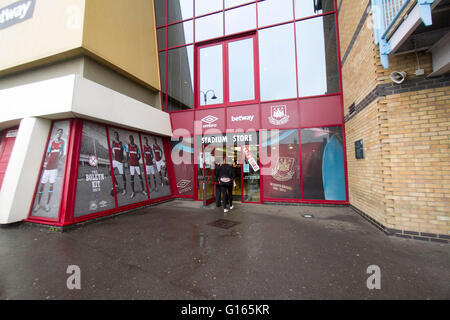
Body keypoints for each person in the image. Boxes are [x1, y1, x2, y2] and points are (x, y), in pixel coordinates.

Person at [34, 128, 65, 212]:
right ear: (57, 133)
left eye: (61, 133)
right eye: (58, 133)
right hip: (48, 168)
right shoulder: (52, 143)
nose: (59, 134)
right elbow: (47, 153)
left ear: (62, 134)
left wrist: (58, 159)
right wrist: (48, 160)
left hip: (54, 168)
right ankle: (38, 204)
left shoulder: (62, 142)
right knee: (42, 186)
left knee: (51, 185)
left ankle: (47, 204)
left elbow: (62, 152)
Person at [110, 131, 127, 196]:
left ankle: (125, 189)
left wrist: (125, 160)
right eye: (114, 135)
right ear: (114, 136)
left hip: (120, 162)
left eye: (117, 135)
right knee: (110, 171)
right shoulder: (113, 143)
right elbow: (110, 150)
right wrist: (113, 156)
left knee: (123, 176)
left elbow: (127, 151)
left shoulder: (121, 144)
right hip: (115, 160)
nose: (116, 136)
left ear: (118, 136)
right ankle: (116, 184)